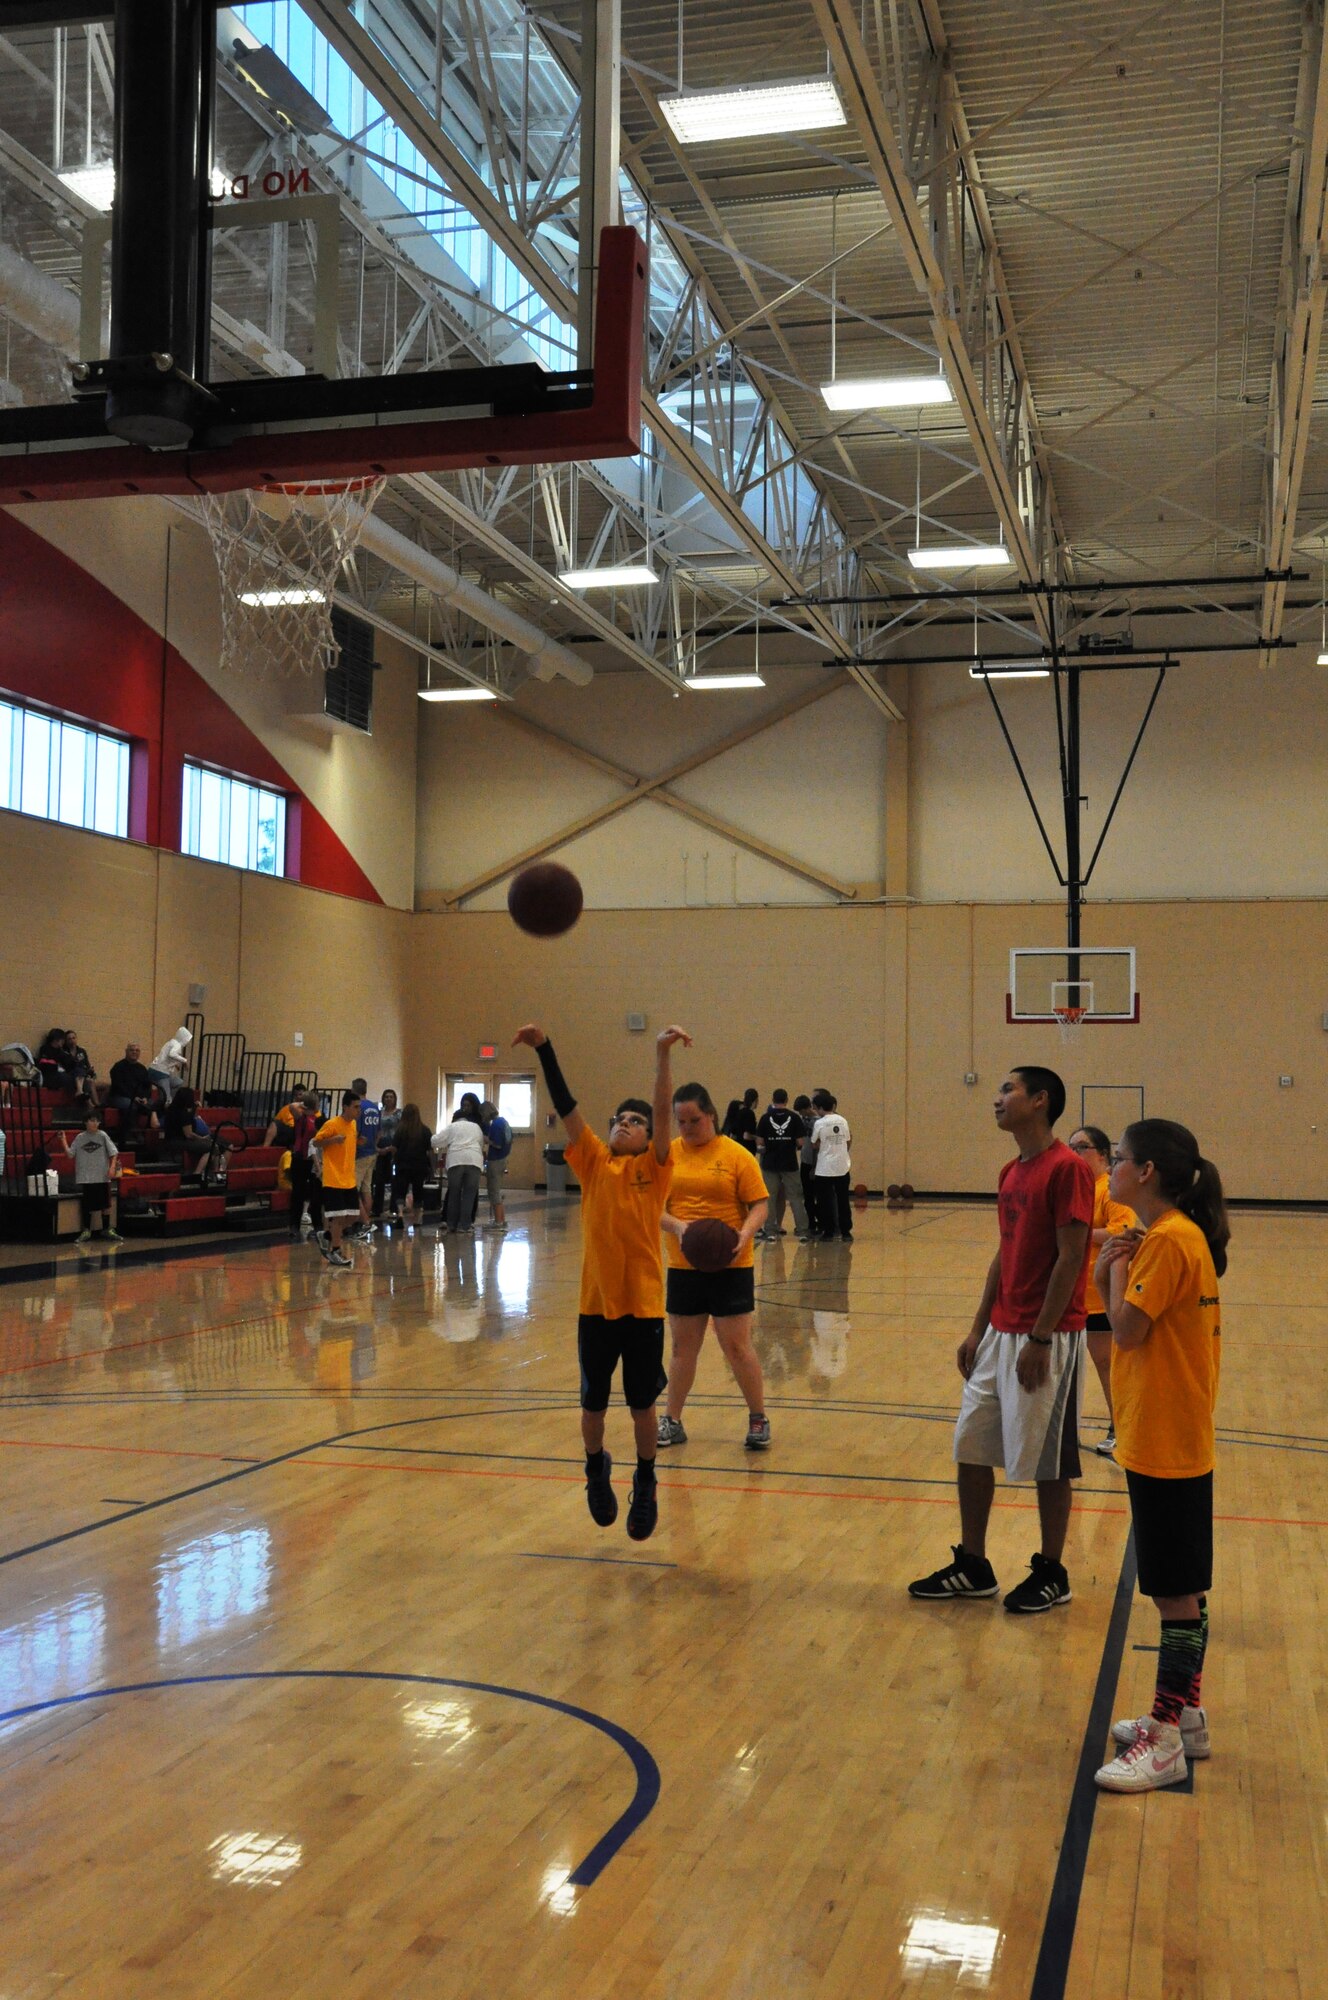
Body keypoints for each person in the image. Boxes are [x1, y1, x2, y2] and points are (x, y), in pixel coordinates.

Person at [908, 1065, 1095, 1613]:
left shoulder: (1067, 1170)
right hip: (1001, 1333)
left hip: (1048, 1336)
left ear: (1039, 1101)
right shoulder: (1011, 1172)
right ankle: (973, 1563)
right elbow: (1003, 1253)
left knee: (1050, 1462)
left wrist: (1039, 1337)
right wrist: (977, 1327)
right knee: (970, 1446)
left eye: (1007, 1090)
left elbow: (1071, 1257)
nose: (997, 1099)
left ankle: (1053, 1571)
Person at [1092, 1120, 1228, 1793]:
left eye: (1116, 1160)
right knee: (1183, 1588)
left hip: (1167, 1436)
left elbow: (1126, 1329)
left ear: (1145, 1172)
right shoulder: (1175, 1237)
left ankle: (1167, 1734)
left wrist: (1111, 1267)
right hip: (1170, 1431)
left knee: (1174, 1596)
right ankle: (1190, 1715)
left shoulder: (1168, 1241)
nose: (1109, 1170)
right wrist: (1116, 1262)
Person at [515, 1021, 689, 1540]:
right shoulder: (592, 1161)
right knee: (592, 1404)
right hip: (595, 1308)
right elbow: (568, 1107)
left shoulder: (656, 1168)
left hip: (642, 1309)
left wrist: (661, 1054)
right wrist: (545, 1048)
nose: (625, 1124)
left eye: (635, 1121)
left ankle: (646, 1478)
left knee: (641, 1406)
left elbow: (662, 1110)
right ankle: (596, 1468)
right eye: (620, 1119)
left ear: (649, 1136)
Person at [658, 1081, 772, 1452]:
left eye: (694, 1120)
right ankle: (672, 1420)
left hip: (732, 1263)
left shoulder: (737, 1155)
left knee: (737, 1347)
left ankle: (758, 1417)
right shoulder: (667, 1156)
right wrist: (679, 1227)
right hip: (684, 1265)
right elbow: (650, 1207)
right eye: (681, 1121)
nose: (687, 1127)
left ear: (711, 1115)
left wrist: (744, 1233)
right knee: (681, 1348)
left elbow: (759, 1205)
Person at [1068, 1124, 1137, 1458]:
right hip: (1073, 1294)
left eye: (1080, 1146)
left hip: (1098, 1299)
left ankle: (1121, 1427)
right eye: (1070, 1147)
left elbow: (1122, 1232)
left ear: (1101, 1154)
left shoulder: (1107, 1189)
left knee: (1106, 1364)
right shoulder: (1074, 1188)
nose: (1073, 1153)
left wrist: (1078, 1234)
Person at [311, 1090, 362, 1269]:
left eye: (359, 1107)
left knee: (354, 1216)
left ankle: (326, 1235)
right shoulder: (332, 1124)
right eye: (355, 1107)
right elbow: (315, 1143)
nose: (358, 1110)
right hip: (333, 1178)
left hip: (348, 1178)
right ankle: (335, 1250)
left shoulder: (354, 1124)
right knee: (338, 1217)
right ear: (345, 1107)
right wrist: (332, 1140)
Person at [756, 1089, 808, 1240]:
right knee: (796, 1198)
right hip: (789, 1163)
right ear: (787, 1100)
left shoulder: (765, 1118)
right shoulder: (794, 1117)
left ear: (773, 1099)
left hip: (770, 1164)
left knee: (769, 1198)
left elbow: (760, 1143)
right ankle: (802, 1230)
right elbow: (800, 1142)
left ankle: (770, 1230)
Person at [270, 1089, 322, 1238]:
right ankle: (297, 1225)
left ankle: (309, 1225)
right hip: (301, 1159)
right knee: (300, 1194)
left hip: (309, 1160)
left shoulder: (316, 1119)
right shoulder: (301, 1117)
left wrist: (302, 1103)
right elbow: (293, 1106)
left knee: (309, 1194)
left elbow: (293, 1105)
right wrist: (304, 1103)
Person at [71, 1105, 122, 1246]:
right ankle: (86, 1230)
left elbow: (114, 1152)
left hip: (102, 1175)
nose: (95, 1123)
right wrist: (63, 1140)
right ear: (85, 1122)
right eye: (92, 1120)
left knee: (106, 1204)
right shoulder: (80, 1137)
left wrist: (111, 1168)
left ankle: (106, 1229)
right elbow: (70, 1154)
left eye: (97, 1121)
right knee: (88, 1204)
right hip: (87, 1177)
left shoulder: (102, 1135)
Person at [809, 1089, 853, 1241]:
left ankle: (828, 1231)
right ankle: (846, 1231)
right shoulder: (843, 1120)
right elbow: (848, 1140)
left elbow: (814, 1144)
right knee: (843, 1200)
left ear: (820, 1108)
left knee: (824, 1201)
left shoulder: (819, 1123)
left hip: (825, 1168)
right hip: (842, 1166)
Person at [436, 1095, 485, 1232]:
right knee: (469, 1194)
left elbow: (435, 1140)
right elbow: (480, 1144)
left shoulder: (452, 1127)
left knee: (454, 1193)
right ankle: (465, 1225)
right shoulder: (476, 1126)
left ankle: (451, 1225)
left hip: (455, 1161)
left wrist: (447, 1143)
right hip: (474, 1161)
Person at [163, 1088, 230, 1179]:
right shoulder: (184, 1113)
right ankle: (198, 1173)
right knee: (212, 1147)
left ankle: (217, 1173)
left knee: (217, 1144)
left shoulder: (172, 1109)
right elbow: (189, 1134)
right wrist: (202, 1139)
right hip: (179, 1141)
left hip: (172, 1139)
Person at [391, 1103, 435, 1224]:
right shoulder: (425, 1130)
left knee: (400, 1190)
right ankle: (416, 1219)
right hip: (419, 1166)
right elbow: (430, 1151)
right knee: (418, 1191)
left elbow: (394, 1148)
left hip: (402, 1165)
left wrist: (394, 1159)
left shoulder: (400, 1130)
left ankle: (400, 1213)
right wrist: (432, 1167)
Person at [109, 1042, 159, 1143]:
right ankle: (130, 1133)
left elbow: (147, 1086)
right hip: (119, 1097)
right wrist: (133, 1097)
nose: (134, 1052)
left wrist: (145, 1097)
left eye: (137, 1050)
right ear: (126, 1051)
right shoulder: (118, 1067)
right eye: (132, 1050)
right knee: (130, 1104)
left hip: (138, 1098)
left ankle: (149, 1137)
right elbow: (118, 1086)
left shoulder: (142, 1069)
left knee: (152, 1104)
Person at [350, 1076, 381, 1232]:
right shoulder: (375, 1107)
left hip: (360, 1153)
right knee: (367, 1189)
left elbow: (356, 1132)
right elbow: (379, 1131)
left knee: (352, 1189)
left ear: (354, 1090)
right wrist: (374, 1145)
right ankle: (364, 1223)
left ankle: (365, 1222)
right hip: (372, 1152)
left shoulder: (358, 1107)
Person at [480, 1099, 512, 1230]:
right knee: (496, 1190)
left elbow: (497, 1143)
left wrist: (486, 1139)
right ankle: (501, 1220)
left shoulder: (496, 1125)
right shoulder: (503, 1122)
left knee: (494, 1191)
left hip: (496, 1160)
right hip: (502, 1159)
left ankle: (498, 1223)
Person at [373, 1088, 400, 1220]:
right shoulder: (379, 1113)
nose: (388, 1099)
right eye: (386, 1097)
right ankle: (377, 1208)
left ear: (395, 1099)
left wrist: (392, 1147)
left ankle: (393, 1208)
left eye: (391, 1097)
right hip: (380, 1147)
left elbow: (401, 1132)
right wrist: (377, 1147)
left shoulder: (399, 1114)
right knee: (379, 1180)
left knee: (394, 1179)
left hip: (394, 1148)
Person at [147, 1026, 192, 1105]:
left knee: (178, 1083)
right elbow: (172, 1054)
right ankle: (165, 1104)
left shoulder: (171, 1042)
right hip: (160, 1073)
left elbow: (165, 1056)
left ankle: (167, 1099)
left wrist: (175, 1064)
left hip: (154, 1070)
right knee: (166, 1099)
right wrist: (185, 1061)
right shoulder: (177, 1044)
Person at [794, 1094, 817, 1228]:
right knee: (807, 1195)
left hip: (814, 1162)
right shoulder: (803, 1119)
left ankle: (818, 1221)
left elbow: (815, 1146)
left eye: (801, 1111)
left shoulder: (818, 1121)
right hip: (805, 1160)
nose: (801, 1114)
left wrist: (814, 1166)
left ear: (807, 1108)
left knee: (815, 1195)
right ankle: (810, 1222)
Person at [721, 1087, 760, 1152]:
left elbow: (734, 1134)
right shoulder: (750, 1114)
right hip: (747, 1149)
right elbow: (746, 1136)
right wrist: (757, 1138)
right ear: (755, 1101)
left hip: (738, 1148)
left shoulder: (739, 1113)